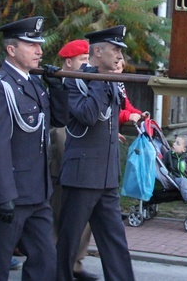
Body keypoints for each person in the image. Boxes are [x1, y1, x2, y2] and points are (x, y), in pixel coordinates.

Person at [0, 16, 68, 280]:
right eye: (31, 45)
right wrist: (3, 193)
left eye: (39, 44)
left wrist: (58, 89)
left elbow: (58, 121)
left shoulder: (33, 83)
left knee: (45, 260)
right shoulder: (1, 87)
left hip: (37, 193)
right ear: (11, 49)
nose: (39, 50)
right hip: (10, 194)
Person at [56, 25, 135, 281]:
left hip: (106, 175)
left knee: (115, 242)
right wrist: (101, 78)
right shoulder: (76, 80)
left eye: (121, 51)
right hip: (82, 174)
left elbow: (109, 120)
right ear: (97, 52)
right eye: (115, 50)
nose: (119, 57)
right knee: (68, 240)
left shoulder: (109, 79)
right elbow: (89, 116)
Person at [49, 39, 98, 281]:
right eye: (83, 61)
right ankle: (58, 263)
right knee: (60, 209)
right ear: (69, 62)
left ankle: (76, 262)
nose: (88, 65)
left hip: (87, 154)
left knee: (85, 213)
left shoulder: (88, 83)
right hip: (62, 150)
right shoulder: (60, 83)